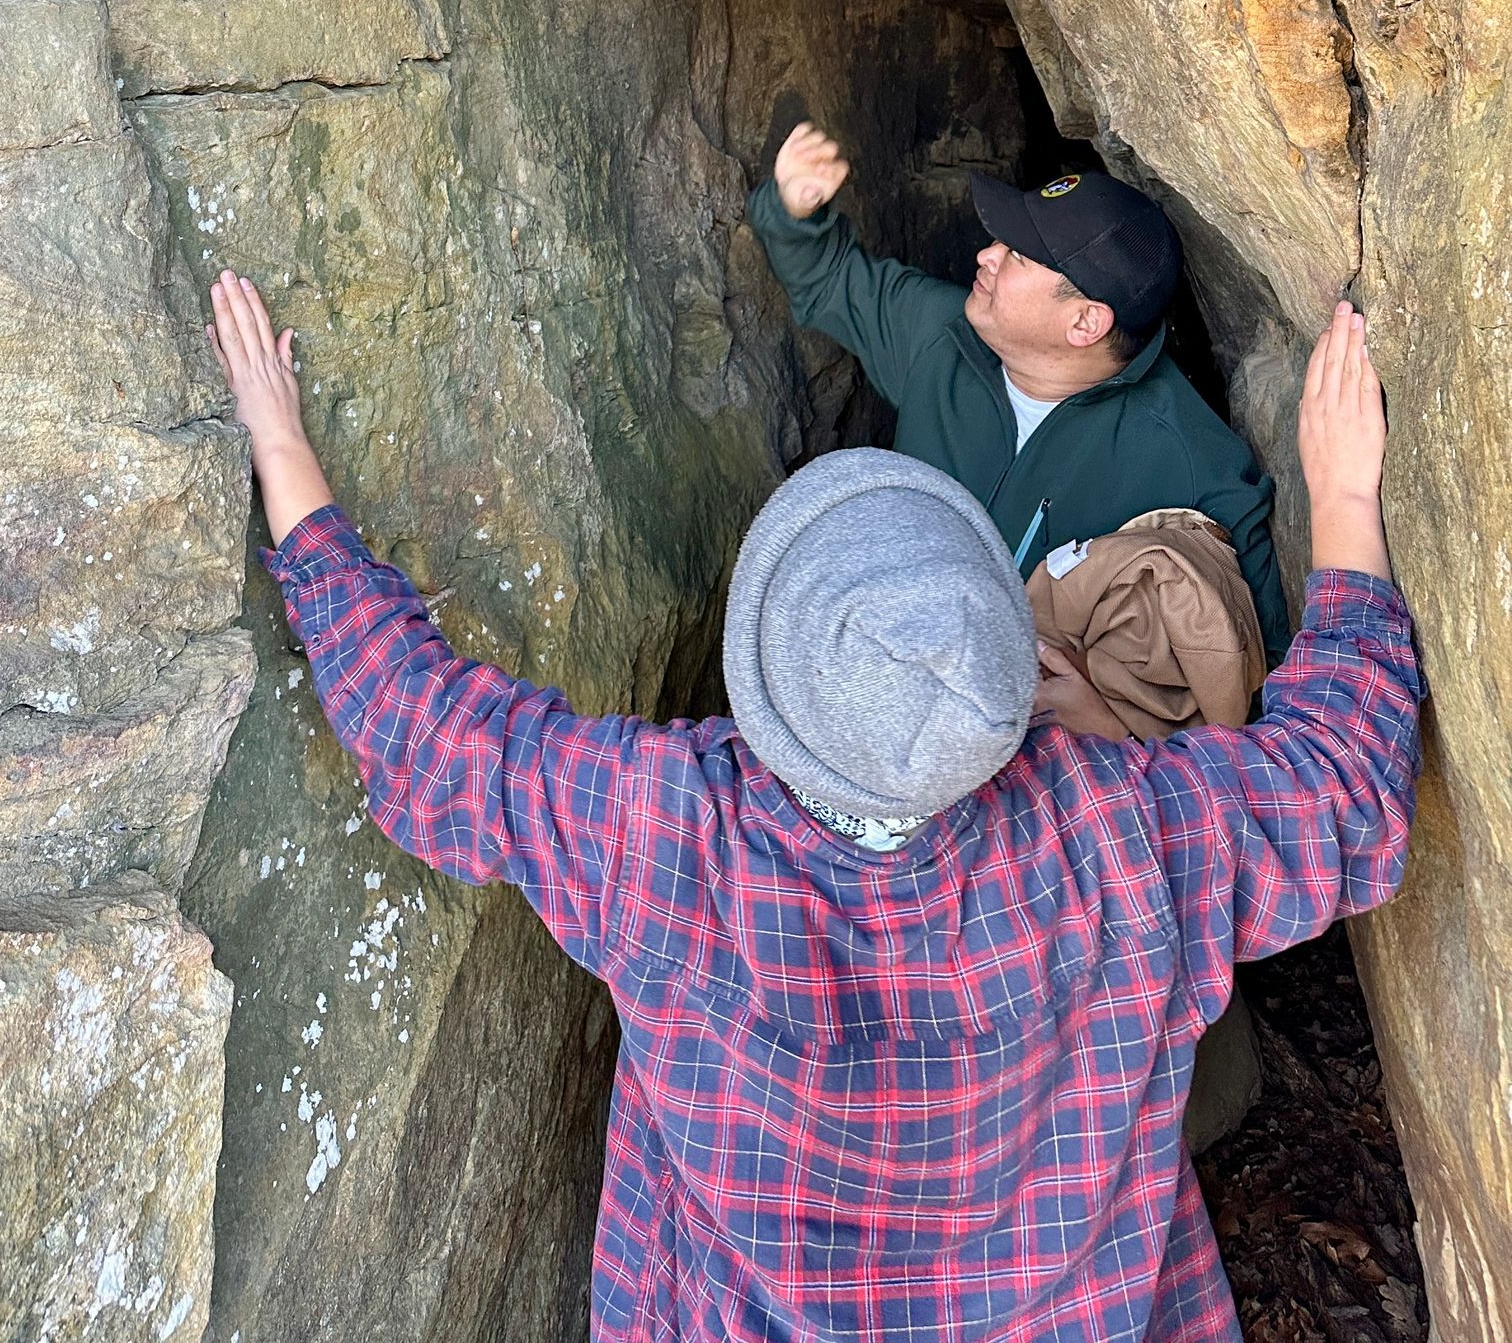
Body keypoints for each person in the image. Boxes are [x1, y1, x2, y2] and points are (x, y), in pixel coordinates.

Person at [206, 271, 1417, 1343]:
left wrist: (281, 449)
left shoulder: (670, 833)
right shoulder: (1121, 835)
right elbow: (1347, 784)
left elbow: (424, 724)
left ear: (761, 683)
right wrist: (1347, 505)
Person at [752, 124, 1291, 659]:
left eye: (1016, 255)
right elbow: (829, 279)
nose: (986, 255)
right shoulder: (943, 337)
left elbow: (1255, 660)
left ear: (1085, 324)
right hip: (884, 670)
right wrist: (795, 211)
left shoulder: (1191, 464)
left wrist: (1103, 715)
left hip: (1045, 734)